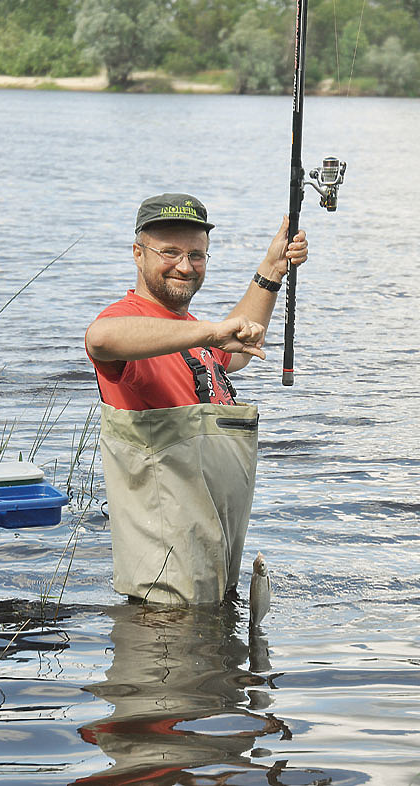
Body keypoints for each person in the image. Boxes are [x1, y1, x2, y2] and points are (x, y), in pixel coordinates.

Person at [86, 193, 307, 606]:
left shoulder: (188, 330)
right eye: (170, 252)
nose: (185, 266)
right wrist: (210, 333)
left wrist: (272, 270)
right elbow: (100, 340)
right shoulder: (128, 320)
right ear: (138, 253)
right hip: (163, 593)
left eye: (197, 255)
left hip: (210, 571)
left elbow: (237, 350)